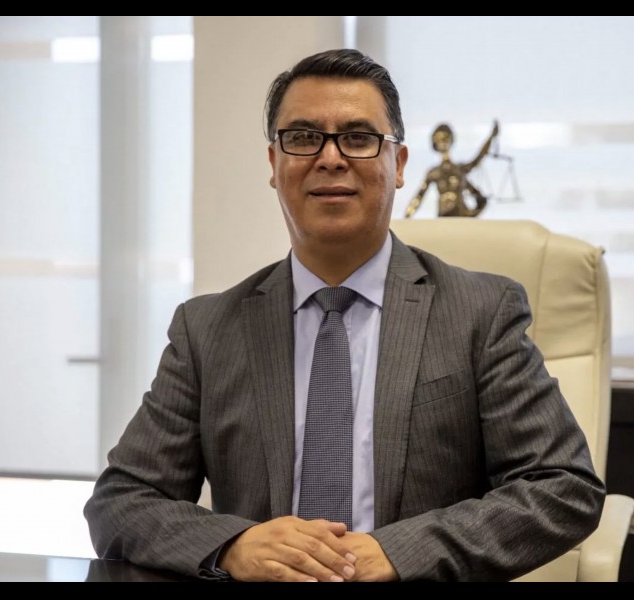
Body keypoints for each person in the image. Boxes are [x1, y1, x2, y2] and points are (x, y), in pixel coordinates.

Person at [84, 48, 604, 582]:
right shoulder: (207, 329)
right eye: (304, 137)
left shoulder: (480, 313)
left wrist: (399, 552)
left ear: (398, 165)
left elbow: (562, 486)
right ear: (274, 164)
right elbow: (121, 501)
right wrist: (232, 545)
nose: (330, 158)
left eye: (357, 138)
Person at [404, 121, 499, 218]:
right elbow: (419, 197)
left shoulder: (460, 170)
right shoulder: (434, 172)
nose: (443, 142)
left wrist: (491, 138)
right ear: (435, 143)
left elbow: (478, 158)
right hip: (444, 218)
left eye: (446, 138)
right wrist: (407, 217)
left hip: (461, 216)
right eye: (440, 139)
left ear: (451, 140)